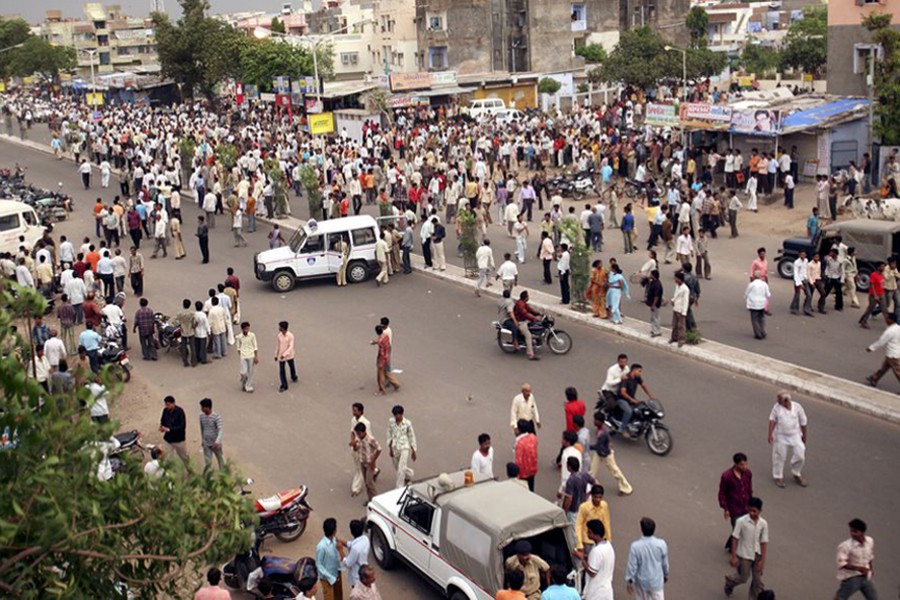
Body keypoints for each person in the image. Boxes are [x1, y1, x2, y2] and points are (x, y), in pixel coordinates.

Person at [724, 497, 768, 599]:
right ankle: (730, 582)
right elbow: (735, 538)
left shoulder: (763, 524)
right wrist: (734, 556)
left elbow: (764, 542)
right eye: (750, 510)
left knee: (757, 581)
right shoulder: (741, 521)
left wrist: (762, 560)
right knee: (743, 577)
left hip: (757, 554)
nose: (752, 513)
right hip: (744, 554)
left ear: (760, 511)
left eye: (754, 511)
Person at [768, 391, 808, 488]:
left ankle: (796, 472)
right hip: (781, 435)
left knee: (800, 454)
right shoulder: (776, 408)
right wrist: (770, 434)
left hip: (795, 434)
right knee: (779, 456)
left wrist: (804, 435)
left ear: (786, 401)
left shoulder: (797, 407)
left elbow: (803, 422)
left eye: (780, 400)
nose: (778, 402)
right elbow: (772, 420)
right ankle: (778, 476)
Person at [625, 517, 669, 600]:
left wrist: (630, 581)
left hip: (642, 584)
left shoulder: (635, 546)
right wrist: (666, 574)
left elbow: (632, 566)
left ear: (641, 529)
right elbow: (664, 563)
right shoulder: (661, 544)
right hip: (656, 583)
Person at [590, 412, 633, 496]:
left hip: (606, 454)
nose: (593, 421)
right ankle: (588, 486)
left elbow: (597, 446)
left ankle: (626, 488)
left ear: (599, 421)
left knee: (615, 471)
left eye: (595, 420)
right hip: (600, 452)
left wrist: (586, 447)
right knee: (592, 470)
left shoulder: (603, 433)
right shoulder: (602, 428)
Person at [718, 452, 753, 553]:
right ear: (736, 464)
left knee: (744, 527)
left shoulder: (748, 473)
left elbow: (749, 489)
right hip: (734, 508)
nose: (744, 467)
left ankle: (731, 544)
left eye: (746, 464)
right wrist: (726, 509)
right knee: (738, 528)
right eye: (742, 465)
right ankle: (734, 548)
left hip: (746, 506)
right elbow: (722, 493)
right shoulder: (727, 476)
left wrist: (751, 503)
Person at [835, 518, 877, 600]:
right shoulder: (845, 546)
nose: (852, 534)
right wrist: (859, 568)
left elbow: (870, 557)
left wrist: (870, 569)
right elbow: (842, 564)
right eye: (851, 531)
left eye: (855, 531)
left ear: (862, 532)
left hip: (865, 577)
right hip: (852, 577)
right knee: (841, 598)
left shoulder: (870, 541)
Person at [582, 519, 615, 600]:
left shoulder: (597, 551)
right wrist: (585, 556)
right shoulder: (608, 546)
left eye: (589, 532)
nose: (587, 533)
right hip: (607, 590)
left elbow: (592, 572)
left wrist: (583, 561)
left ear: (595, 534)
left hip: (596, 592)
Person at [865, 313, 900, 387]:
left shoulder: (890, 331)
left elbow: (881, 341)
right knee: (884, 367)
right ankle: (874, 378)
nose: (886, 320)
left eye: (887, 318)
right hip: (894, 353)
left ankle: (874, 378)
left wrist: (871, 348)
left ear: (891, 320)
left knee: (898, 372)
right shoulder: (898, 328)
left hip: (893, 354)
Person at [315, 517, 346, 600]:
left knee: (338, 595)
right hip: (327, 578)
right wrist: (331, 578)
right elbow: (319, 564)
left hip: (336, 572)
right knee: (329, 597)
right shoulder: (321, 547)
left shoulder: (335, 540)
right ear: (334, 531)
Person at [387, 405, 417, 488]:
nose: (397, 417)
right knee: (397, 466)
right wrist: (390, 448)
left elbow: (411, 436)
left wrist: (413, 450)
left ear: (402, 414)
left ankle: (399, 487)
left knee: (401, 469)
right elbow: (389, 433)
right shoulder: (391, 422)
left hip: (404, 447)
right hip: (395, 447)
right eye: (395, 415)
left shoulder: (407, 423)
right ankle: (409, 474)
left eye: (398, 415)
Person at [159, 396, 191, 471]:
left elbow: (182, 426)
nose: (167, 406)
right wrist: (162, 427)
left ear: (173, 403)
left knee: (184, 457)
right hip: (168, 439)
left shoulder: (180, 412)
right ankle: (171, 473)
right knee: (168, 457)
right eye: (166, 404)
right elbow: (162, 420)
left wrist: (170, 429)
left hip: (178, 440)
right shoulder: (165, 411)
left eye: (168, 404)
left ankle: (190, 470)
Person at [354, 421, 381, 503]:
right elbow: (357, 448)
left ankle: (376, 499)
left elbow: (379, 449)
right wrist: (355, 446)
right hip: (363, 461)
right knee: (366, 483)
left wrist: (373, 461)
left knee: (369, 482)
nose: (358, 435)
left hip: (370, 463)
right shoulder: (358, 439)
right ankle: (370, 499)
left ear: (363, 432)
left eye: (359, 433)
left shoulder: (370, 439)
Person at [342, 519, 370, 587]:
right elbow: (352, 544)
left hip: (357, 577)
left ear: (351, 532)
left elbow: (348, 563)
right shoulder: (365, 539)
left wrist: (340, 550)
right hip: (365, 571)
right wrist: (343, 542)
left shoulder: (355, 549)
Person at [373, 324, 400, 394]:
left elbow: (382, 352)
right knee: (387, 373)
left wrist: (380, 362)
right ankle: (396, 383)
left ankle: (382, 389)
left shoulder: (380, 341)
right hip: (387, 356)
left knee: (380, 375)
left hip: (382, 359)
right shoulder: (386, 336)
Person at [198, 398, 224, 470]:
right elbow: (202, 428)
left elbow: (220, 430)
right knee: (208, 462)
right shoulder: (201, 416)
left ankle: (223, 474)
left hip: (215, 444)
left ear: (207, 407)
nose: (201, 409)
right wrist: (203, 440)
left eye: (202, 407)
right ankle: (209, 476)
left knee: (220, 459)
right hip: (206, 443)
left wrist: (217, 442)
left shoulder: (216, 417)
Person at [859, 262, 885, 329]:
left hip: (881, 294)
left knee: (884, 309)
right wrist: (875, 295)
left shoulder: (882, 275)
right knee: (870, 308)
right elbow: (872, 285)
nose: (883, 268)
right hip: (874, 295)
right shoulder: (874, 275)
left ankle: (890, 324)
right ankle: (864, 321)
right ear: (878, 267)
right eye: (882, 267)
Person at [514, 420, 539, 491]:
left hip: (523, 472)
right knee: (531, 488)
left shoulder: (520, 443)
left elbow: (518, 461)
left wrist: (517, 474)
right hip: (532, 469)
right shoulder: (533, 437)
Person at [745, 273, 771, 339]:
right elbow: (768, 294)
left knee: (755, 319)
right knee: (761, 318)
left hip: (753, 304)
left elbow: (746, 293)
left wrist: (746, 298)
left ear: (754, 277)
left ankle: (758, 334)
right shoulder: (764, 284)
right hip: (762, 304)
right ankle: (762, 331)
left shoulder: (752, 284)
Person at [275, 320, 297, 392]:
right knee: (282, 370)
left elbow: (291, 347)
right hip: (281, 355)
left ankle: (293, 376)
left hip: (289, 355)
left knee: (291, 366)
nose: (279, 328)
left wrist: (285, 354)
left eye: (280, 327)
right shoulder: (279, 336)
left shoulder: (290, 336)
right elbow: (278, 346)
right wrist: (276, 354)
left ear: (283, 328)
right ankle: (284, 385)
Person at [235, 321, 258, 392]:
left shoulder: (252, 335)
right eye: (245, 329)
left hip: (251, 355)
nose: (247, 330)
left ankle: (248, 386)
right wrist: (241, 354)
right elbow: (238, 347)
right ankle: (243, 383)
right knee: (243, 372)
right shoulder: (239, 337)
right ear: (242, 329)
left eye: (248, 328)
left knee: (250, 372)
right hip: (243, 356)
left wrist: (256, 356)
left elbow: (255, 346)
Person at [669, 272, 689, 346]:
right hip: (675, 308)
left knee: (681, 326)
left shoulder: (685, 289)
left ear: (679, 279)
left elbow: (685, 301)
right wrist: (673, 300)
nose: (675, 280)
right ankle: (674, 337)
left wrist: (684, 312)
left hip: (681, 310)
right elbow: (675, 294)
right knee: (674, 324)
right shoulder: (677, 286)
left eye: (676, 278)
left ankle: (681, 340)